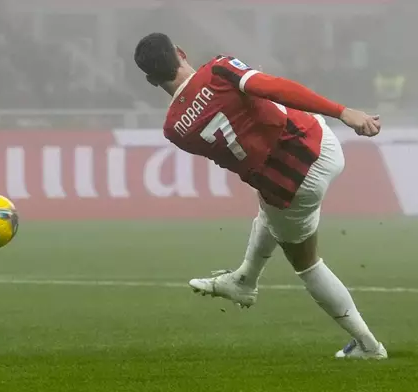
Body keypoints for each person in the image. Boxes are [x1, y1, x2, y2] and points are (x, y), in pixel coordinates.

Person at [134, 33, 387, 359]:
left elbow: (229, 127)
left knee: (307, 265)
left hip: (289, 185)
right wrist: (342, 112)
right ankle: (244, 279)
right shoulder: (220, 69)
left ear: (152, 80)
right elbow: (274, 88)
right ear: (180, 53)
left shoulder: (174, 129)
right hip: (320, 147)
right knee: (268, 208)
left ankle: (369, 346)